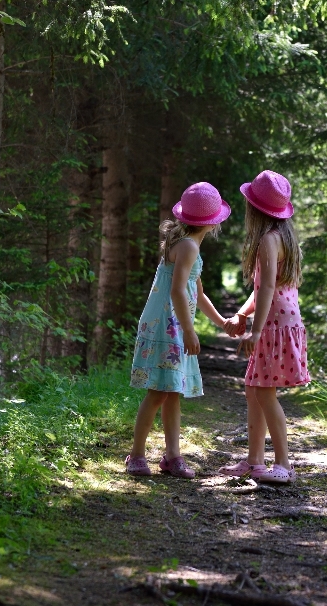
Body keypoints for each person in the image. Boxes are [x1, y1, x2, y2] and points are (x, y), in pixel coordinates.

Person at [126, 182, 231, 478]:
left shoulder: (190, 246)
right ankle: (136, 454)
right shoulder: (187, 246)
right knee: (158, 392)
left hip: (171, 323)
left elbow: (197, 291)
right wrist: (188, 330)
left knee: (172, 391)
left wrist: (221, 322)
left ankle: (172, 456)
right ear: (212, 222)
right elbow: (176, 292)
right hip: (166, 324)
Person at [221, 170, 309, 484]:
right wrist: (243, 315)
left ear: (255, 210)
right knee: (254, 390)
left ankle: (284, 464)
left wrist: (255, 331)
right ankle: (255, 461)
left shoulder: (268, 241)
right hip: (281, 319)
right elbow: (261, 289)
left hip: (274, 324)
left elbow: (268, 289)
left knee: (265, 393)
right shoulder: (282, 236)